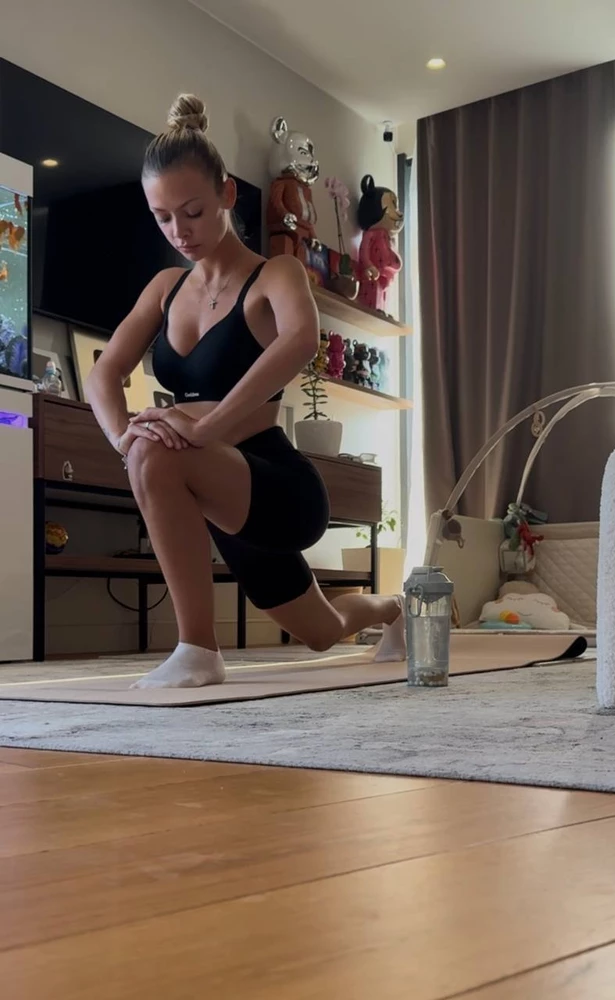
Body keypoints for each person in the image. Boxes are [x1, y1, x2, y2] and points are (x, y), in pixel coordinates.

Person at [86, 95, 405, 689]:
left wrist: (203, 429)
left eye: (193, 212)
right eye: (163, 217)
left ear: (228, 194)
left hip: (277, 486)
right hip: (219, 495)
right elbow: (104, 374)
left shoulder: (275, 274)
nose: (179, 231)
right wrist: (123, 438)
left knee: (156, 451)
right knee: (322, 630)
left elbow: (299, 341)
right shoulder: (164, 288)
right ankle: (393, 610)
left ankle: (197, 651)